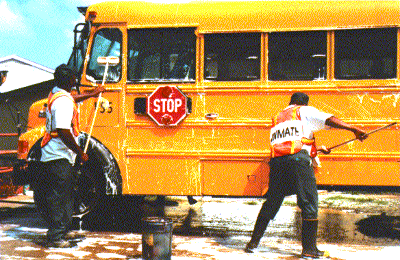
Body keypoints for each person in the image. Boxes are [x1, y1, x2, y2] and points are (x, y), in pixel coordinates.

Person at [245, 92, 367, 258]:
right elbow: (328, 119)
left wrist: (317, 149)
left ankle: (252, 243)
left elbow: (295, 142)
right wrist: (353, 129)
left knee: (272, 202)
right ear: (304, 103)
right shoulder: (304, 110)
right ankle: (309, 250)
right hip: (298, 163)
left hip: (278, 163)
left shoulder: (279, 117)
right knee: (309, 201)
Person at [34, 64, 104, 248]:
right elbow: (63, 131)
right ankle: (56, 237)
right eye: (74, 78)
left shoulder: (58, 94)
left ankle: (63, 230)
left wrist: (92, 94)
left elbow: (72, 98)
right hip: (58, 157)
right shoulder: (62, 101)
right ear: (68, 81)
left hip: (59, 156)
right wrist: (80, 152)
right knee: (58, 197)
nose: (76, 81)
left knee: (65, 195)